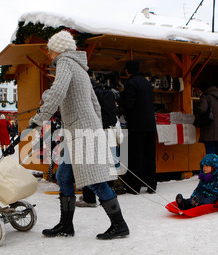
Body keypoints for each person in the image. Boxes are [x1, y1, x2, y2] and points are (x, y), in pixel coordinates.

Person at [29, 30, 129, 240]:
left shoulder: (65, 62)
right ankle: (66, 226)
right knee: (63, 177)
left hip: (81, 131)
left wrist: (39, 120)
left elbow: (57, 92)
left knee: (95, 181)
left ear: (58, 48)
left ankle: (119, 225)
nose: (49, 53)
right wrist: (94, 125)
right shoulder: (81, 68)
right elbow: (95, 104)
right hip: (81, 130)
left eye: (50, 49)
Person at [76, 78, 120, 208]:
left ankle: (89, 198)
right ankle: (109, 195)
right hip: (108, 132)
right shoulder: (107, 93)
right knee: (106, 166)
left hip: (93, 131)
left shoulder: (88, 95)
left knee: (89, 166)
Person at [118, 60, 157, 194]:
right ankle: (151, 185)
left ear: (128, 71)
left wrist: (121, 104)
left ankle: (134, 186)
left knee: (136, 156)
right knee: (150, 155)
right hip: (150, 125)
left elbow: (129, 105)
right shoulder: (147, 83)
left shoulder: (131, 84)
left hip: (137, 125)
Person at [194, 81, 218, 179]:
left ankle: (211, 174)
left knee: (210, 153)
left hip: (210, 129)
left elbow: (202, 109)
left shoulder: (206, 96)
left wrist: (196, 107)